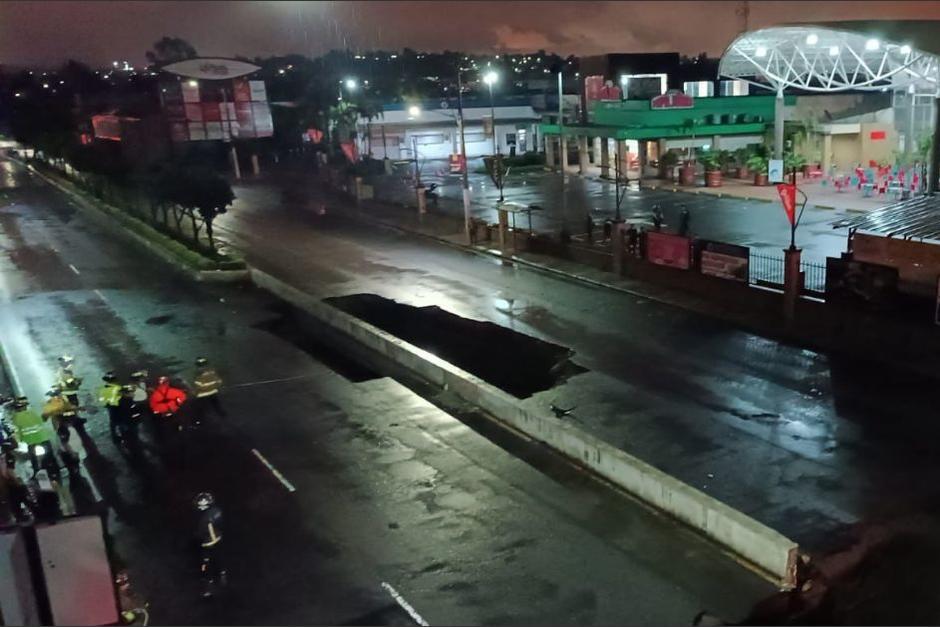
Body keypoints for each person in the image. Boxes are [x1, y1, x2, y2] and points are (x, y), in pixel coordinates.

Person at [193, 492, 226, 597]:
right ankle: (209, 584)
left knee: (217, 561)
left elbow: (215, 523)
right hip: (205, 544)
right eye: (200, 504)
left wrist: (214, 539)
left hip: (214, 543)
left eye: (205, 504)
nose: (202, 506)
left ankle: (221, 575)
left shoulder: (214, 513)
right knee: (205, 564)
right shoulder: (198, 516)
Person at [10, 397, 53, 474]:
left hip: (31, 443)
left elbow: (17, 433)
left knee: (35, 463)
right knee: (50, 459)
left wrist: (19, 441)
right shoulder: (33, 412)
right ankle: (54, 473)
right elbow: (42, 420)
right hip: (44, 439)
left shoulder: (15, 418)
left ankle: (38, 475)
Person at [191, 358, 225, 425]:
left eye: (203, 365)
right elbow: (200, 386)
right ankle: (199, 421)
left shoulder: (206, 373)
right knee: (209, 407)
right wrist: (215, 385)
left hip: (207, 394)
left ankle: (198, 421)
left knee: (211, 407)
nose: (203, 367)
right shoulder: (200, 374)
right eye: (201, 365)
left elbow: (218, 381)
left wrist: (217, 384)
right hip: (207, 394)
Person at [98, 372, 123, 441]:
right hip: (118, 406)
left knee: (113, 422)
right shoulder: (118, 388)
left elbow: (102, 399)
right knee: (120, 420)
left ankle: (114, 435)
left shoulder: (103, 389)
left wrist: (106, 404)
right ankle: (122, 434)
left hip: (111, 407)